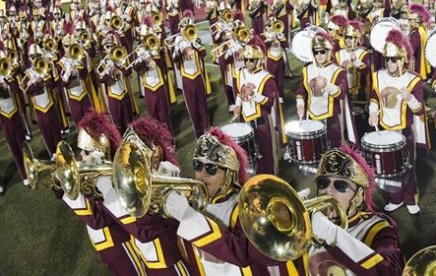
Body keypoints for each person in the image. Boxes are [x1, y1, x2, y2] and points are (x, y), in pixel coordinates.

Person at [163, 128, 306, 275]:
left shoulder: (247, 207)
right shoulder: (189, 200)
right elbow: (149, 234)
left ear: (229, 174)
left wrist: (188, 216)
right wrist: (163, 182)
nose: (201, 174)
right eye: (197, 166)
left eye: (211, 168)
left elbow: (242, 252)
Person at [93, 118, 193, 275]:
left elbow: (144, 232)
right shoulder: (136, 185)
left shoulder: (167, 188)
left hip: (171, 266)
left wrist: (108, 192)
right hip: (150, 265)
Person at [60, 110, 143, 276]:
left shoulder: (110, 178)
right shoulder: (95, 175)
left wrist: (66, 189)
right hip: (105, 244)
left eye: (86, 151)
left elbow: (96, 220)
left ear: (101, 151)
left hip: (119, 243)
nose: (81, 155)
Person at [307, 146, 405, 275]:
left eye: (340, 186)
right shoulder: (308, 225)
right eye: (323, 183)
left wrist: (332, 234)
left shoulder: (377, 228)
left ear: (359, 197)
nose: (328, 191)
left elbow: (391, 272)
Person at [368, 28, 428, 213]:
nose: (390, 63)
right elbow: (374, 97)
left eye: (394, 59)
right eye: (387, 59)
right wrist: (373, 111)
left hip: (404, 130)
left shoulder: (413, 80)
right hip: (385, 128)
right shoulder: (378, 76)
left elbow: (419, 110)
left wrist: (410, 98)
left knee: (407, 164)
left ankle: (410, 198)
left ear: (403, 59)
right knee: (389, 166)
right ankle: (395, 197)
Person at [297, 29, 356, 148]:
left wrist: (327, 85)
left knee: (334, 152)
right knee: (316, 151)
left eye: (322, 52)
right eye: (316, 52)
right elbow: (301, 91)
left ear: (328, 52)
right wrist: (300, 104)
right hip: (312, 116)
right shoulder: (307, 69)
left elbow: (341, 93)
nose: (319, 55)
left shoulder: (337, 71)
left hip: (332, 119)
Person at [233, 37, 280, 175]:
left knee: (266, 154)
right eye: (245, 60)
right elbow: (238, 92)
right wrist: (237, 105)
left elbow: (269, 102)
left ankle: (269, 178)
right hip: (245, 119)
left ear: (258, 60)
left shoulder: (267, 78)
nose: (247, 63)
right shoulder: (240, 73)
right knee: (248, 154)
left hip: (262, 121)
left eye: (251, 60)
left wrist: (253, 94)